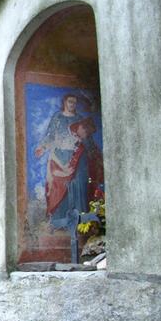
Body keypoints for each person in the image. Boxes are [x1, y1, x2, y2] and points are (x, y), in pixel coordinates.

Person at [35, 94, 102, 228]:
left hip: (79, 157)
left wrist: (92, 152)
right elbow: (50, 135)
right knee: (61, 187)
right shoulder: (58, 117)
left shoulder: (79, 118)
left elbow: (87, 137)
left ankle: (81, 223)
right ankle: (61, 221)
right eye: (70, 101)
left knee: (79, 185)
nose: (72, 104)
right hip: (61, 156)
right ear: (65, 102)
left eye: (74, 102)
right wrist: (42, 147)